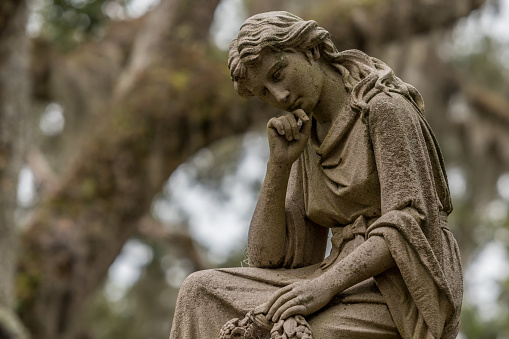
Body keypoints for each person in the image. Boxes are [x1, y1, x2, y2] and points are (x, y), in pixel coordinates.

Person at [169, 11, 463, 339]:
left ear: (310, 49)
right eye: (264, 92)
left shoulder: (385, 109)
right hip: (331, 276)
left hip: (401, 285)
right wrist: (278, 167)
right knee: (199, 293)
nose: (278, 96)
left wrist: (321, 289)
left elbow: (410, 223)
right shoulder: (305, 136)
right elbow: (270, 261)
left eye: (278, 74)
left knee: (296, 332)